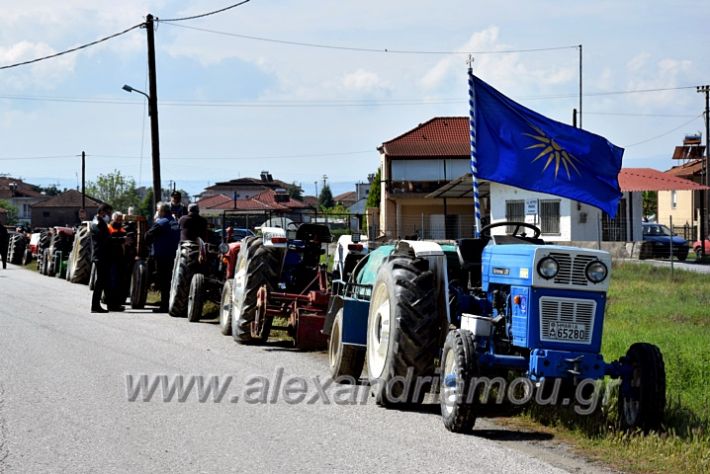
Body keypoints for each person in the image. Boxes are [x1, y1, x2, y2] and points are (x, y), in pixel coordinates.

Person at [145, 202, 180, 313]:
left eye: (158, 210)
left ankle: (164, 305)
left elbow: (147, 236)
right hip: (173, 255)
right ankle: (167, 302)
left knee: (163, 281)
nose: (157, 212)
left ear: (162, 211)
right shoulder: (174, 222)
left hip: (162, 256)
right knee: (169, 280)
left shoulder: (161, 223)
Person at [90, 203, 117, 313]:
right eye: (108, 212)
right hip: (101, 256)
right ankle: (95, 306)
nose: (109, 215)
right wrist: (122, 239)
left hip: (102, 255)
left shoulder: (98, 222)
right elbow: (106, 239)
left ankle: (110, 305)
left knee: (105, 281)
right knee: (101, 282)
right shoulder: (98, 223)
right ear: (102, 211)